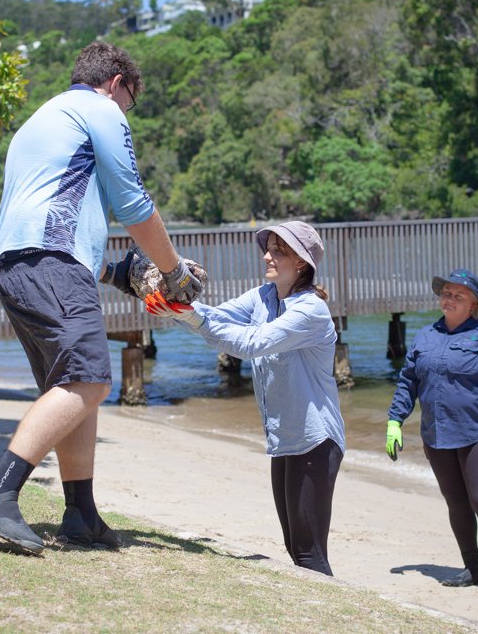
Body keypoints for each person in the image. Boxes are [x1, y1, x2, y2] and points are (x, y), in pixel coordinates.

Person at [0, 41, 204, 555]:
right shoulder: (99, 110)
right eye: (129, 101)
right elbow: (133, 202)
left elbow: (53, 217)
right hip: (52, 264)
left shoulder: (42, 118)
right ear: (116, 81)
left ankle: (80, 513)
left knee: (74, 387)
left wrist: (121, 272)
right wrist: (172, 271)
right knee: (90, 379)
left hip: (16, 266)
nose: (126, 113)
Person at [147, 221, 346, 575]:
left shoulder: (310, 310)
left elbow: (252, 344)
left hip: (315, 441)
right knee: (294, 547)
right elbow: (215, 317)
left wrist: (189, 316)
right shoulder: (263, 297)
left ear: (301, 262)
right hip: (285, 440)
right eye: (267, 248)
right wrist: (176, 307)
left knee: (309, 553)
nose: (266, 256)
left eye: (277, 250)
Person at [384, 268, 478, 598]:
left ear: (474, 303)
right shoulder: (424, 337)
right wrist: (395, 421)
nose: (448, 299)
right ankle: (472, 570)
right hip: (437, 435)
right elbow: (408, 382)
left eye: (458, 295)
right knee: (456, 502)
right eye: (446, 293)